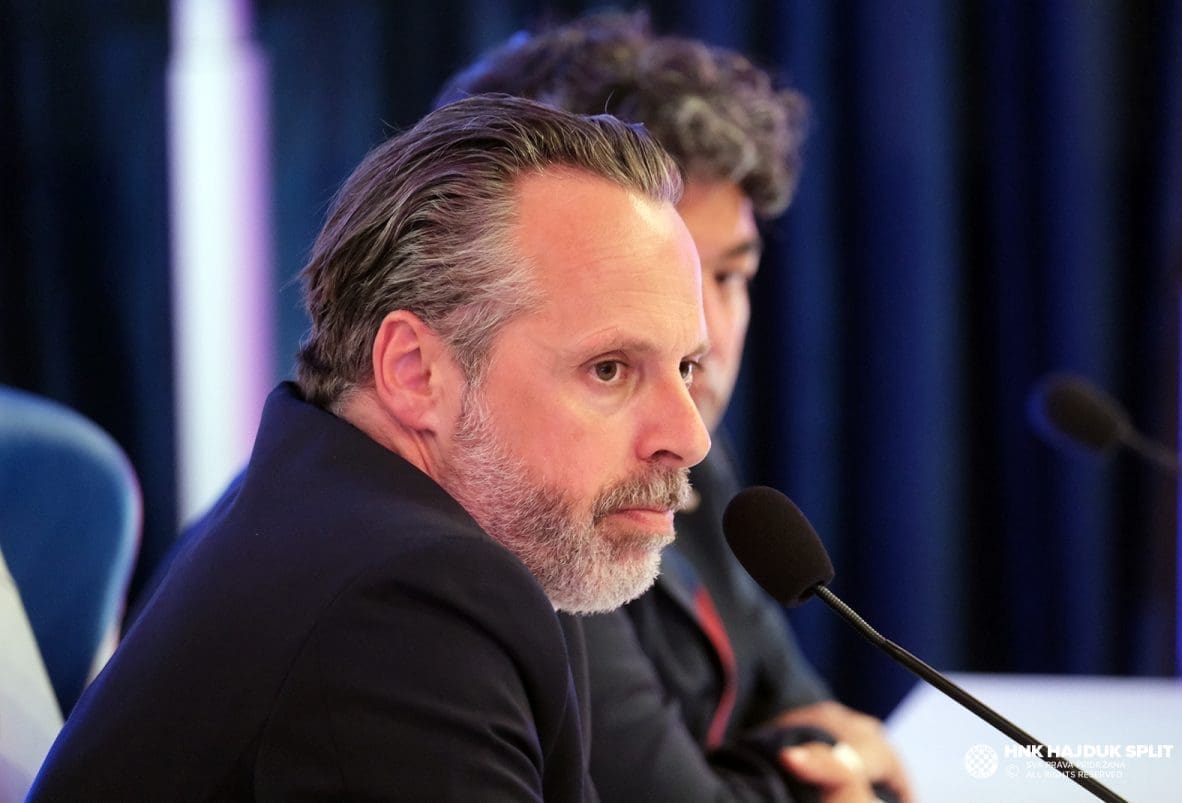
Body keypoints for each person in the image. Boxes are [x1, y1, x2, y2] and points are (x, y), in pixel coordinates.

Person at [28, 94, 712, 801]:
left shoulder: (336, 522)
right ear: (414, 372)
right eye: (609, 370)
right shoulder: (405, 603)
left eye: (688, 367)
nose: (689, 438)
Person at [437, 13, 912, 803]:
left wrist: (811, 760)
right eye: (665, 285)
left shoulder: (687, 442)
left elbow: (799, 708)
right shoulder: (519, 502)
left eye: (727, 278)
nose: (707, 338)